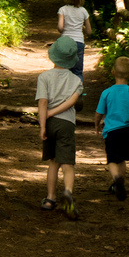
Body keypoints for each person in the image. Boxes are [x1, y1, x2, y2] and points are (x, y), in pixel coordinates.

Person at [36, 37, 83, 216]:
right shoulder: (76, 81)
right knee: (68, 164)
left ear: (53, 56)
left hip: (49, 124)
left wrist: (43, 123)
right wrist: (54, 112)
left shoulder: (44, 77)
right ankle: (68, 193)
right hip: (67, 124)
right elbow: (72, 102)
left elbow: (42, 103)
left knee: (53, 163)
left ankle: (50, 199)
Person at [95, 56, 129, 199]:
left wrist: (96, 124)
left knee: (112, 160)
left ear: (113, 72)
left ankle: (116, 179)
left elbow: (99, 112)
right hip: (128, 131)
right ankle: (120, 183)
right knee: (122, 158)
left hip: (112, 131)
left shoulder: (107, 93)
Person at [57, 0, 92, 82]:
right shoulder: (84, 11)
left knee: (64, 70)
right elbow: (89, 32)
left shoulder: (63, 10)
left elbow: (60, 28)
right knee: (77, 71)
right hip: (79, 43)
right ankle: (78, 93)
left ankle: (64, 92)